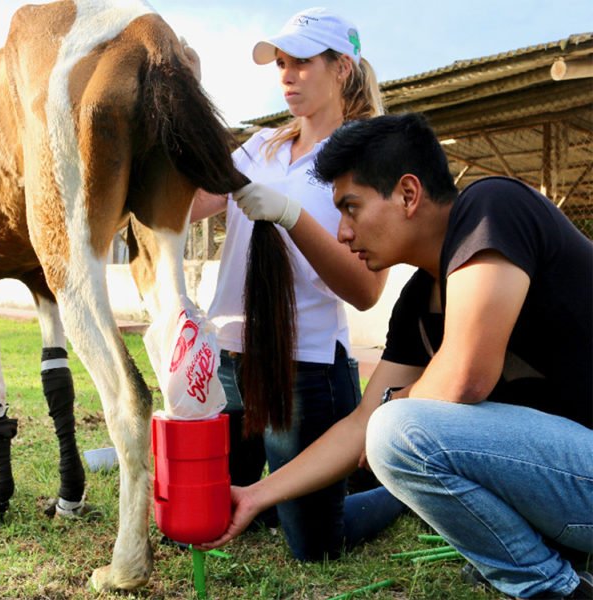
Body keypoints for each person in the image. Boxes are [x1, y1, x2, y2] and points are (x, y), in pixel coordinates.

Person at [202, 113, 593, 600]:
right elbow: (360, 422)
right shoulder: (418, 300)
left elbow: (465, 376)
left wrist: (393, 408)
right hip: (568, 490)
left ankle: (555, 589)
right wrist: (255, 497)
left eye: (351, 208)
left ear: (409, 194)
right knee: (390, 424)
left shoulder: (494, 206)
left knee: (398, 429)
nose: (343, 233)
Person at [191, 7, 405, 561]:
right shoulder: (258, 146)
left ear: (342, 69)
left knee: (314, 544)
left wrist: (291, 215)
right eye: (281, 63)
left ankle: (400, 493)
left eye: (302, 63)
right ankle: (297, 491)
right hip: (230, 360)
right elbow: (191, 206)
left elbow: (365, 291)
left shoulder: (365, 159)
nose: (286, 75)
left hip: (303, 367)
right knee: (205, 515)